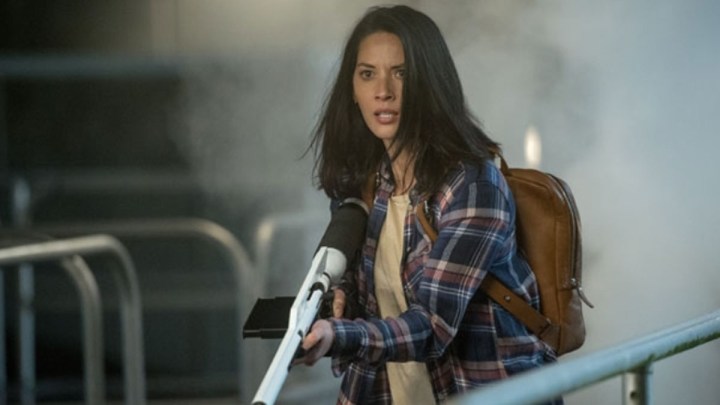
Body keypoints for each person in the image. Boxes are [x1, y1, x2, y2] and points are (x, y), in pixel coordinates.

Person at [302, 5, 560, 404]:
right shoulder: (369, 184)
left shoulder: (472, 185)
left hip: (483, 392)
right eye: (367, 73)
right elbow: (372, 297)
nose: (383, 90)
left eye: (401, 73)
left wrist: (340, 336)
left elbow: (433, 325)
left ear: (430, 82)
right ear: (352, 89)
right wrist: (338, 303)